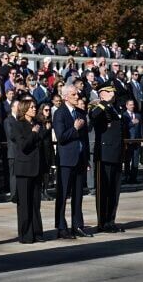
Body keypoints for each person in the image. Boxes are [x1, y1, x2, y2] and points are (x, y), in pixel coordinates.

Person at [53, 85, 92, 239]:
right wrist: (75, 128)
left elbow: (85, 139)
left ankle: (77, 225)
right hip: (66, 160)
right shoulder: (59, 113)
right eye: (74, 94)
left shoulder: (81, 113)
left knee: (78, 195)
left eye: (78, 94)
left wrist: (86, 158)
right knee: (63, 195)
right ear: (65, 97)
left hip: (80, 159)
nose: (77, 97)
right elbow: (61, 137)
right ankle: (61, 227)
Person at [90, 82, 126, 233]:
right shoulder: (98, 107)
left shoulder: (115, 108)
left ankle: (111, 220)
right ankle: (102, 222)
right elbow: (93, 117)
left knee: (114, 191)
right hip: (104, 154)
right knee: (103, 190)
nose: (113, 94)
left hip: (116, 153)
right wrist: (102, 102)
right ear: (102, 93)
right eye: (110, 91)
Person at [13, 99, 45, 243]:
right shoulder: (18, 125)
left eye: (35, 106)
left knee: (35, 203)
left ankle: (37, 233)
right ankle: (26, 235)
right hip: (24, 169)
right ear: (24, 109)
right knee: (24, 204)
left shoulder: (37, 124)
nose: (34, 109)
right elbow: (23, 146)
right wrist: (33, 133)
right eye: (32, 107)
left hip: (36, 168)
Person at [36, 103, 55, 201]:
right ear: (42, 110)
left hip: (48, 149)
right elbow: (39, 136)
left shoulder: (49, 121)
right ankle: (40, 192)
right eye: (46, 110)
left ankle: (45, 191)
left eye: (49, 110)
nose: (48, 112)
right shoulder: (38, 121)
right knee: (41, 172)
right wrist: (47, 130)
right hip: (41, 150)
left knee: (47, 172)